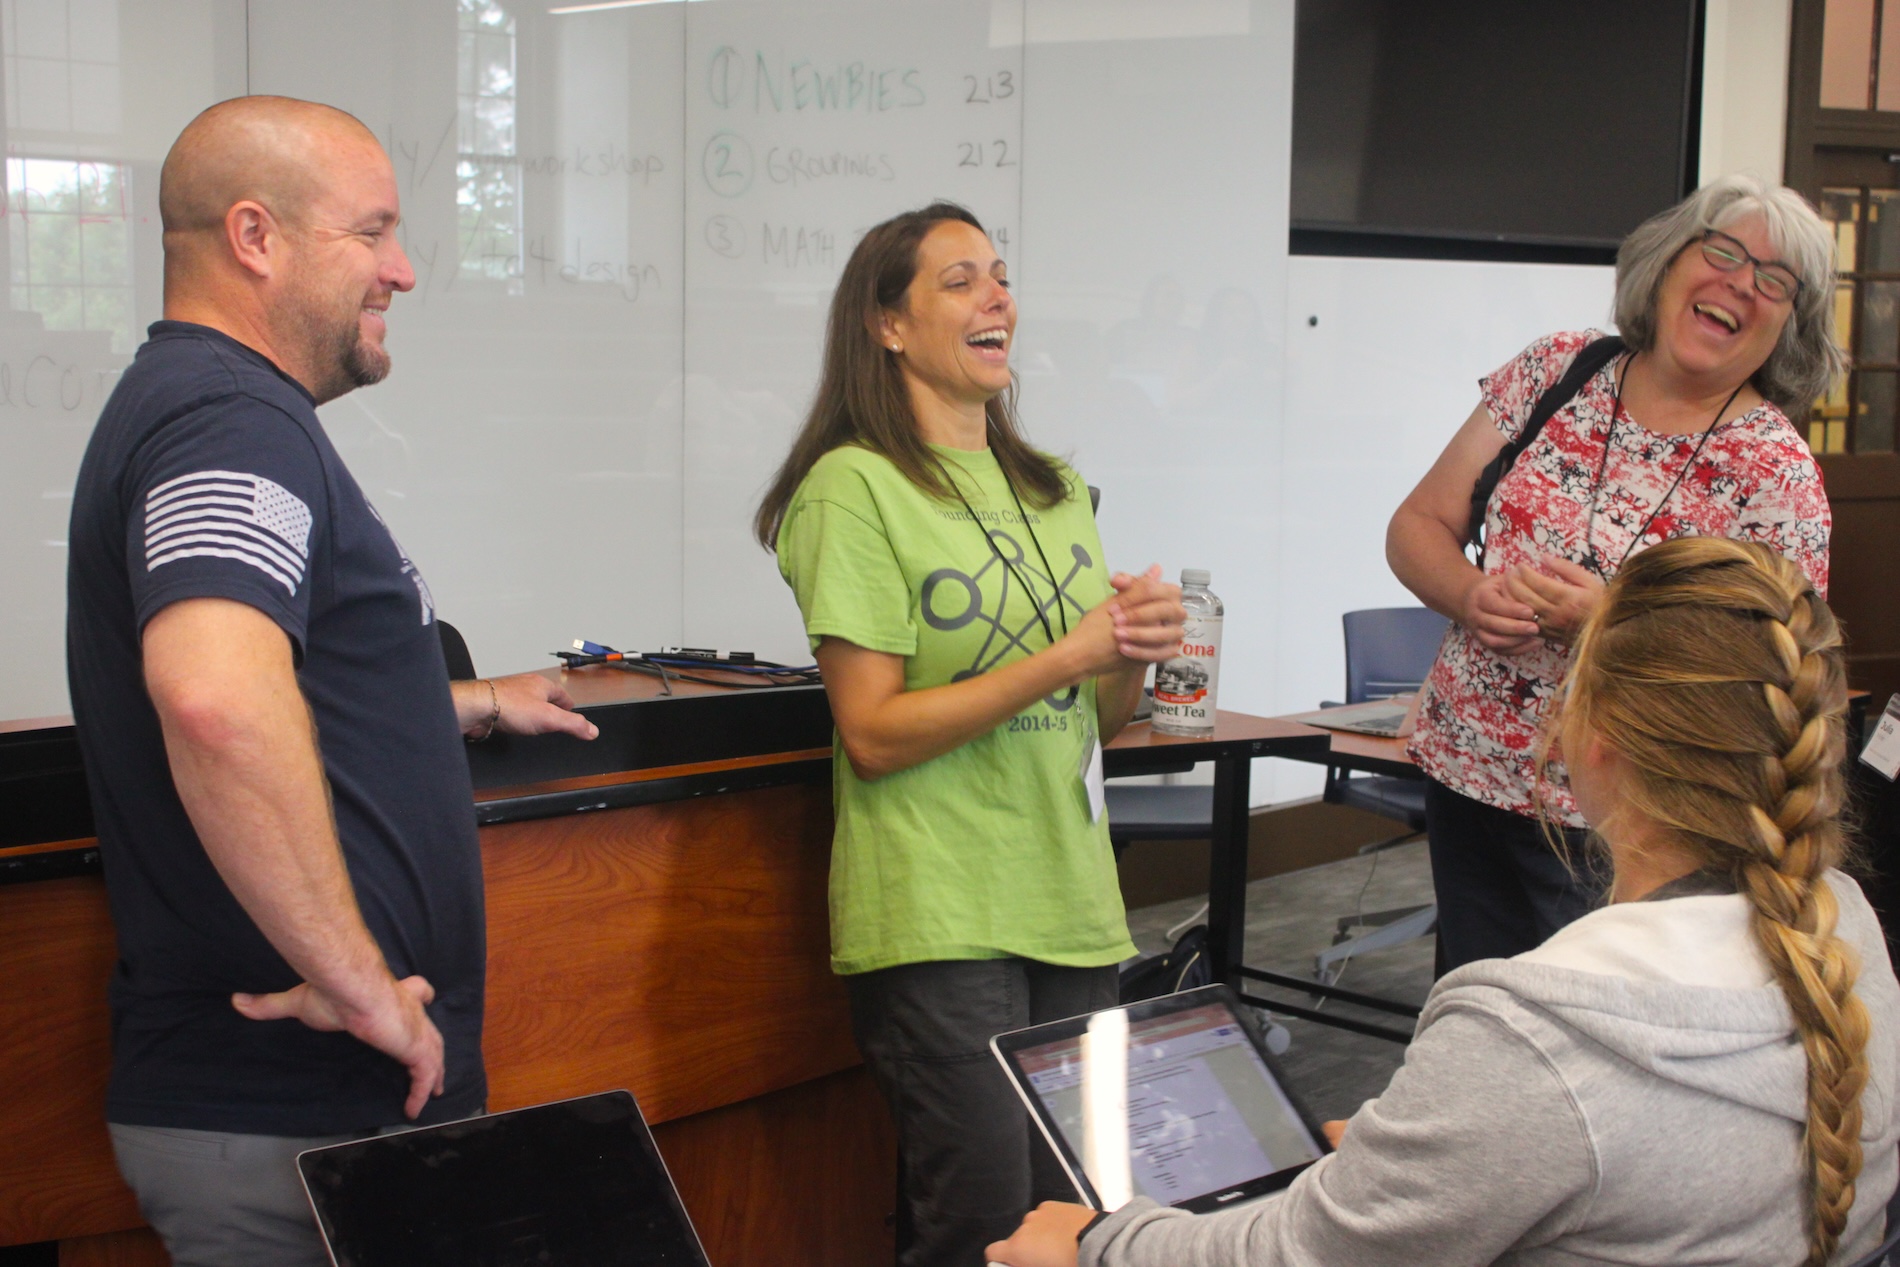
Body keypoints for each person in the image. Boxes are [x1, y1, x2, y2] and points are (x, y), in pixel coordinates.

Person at [987, 536, 1900, 1267]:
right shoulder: (1846, 931)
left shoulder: (1533, 1032)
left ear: (1600, 738)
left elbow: (1293, 1255)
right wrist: (1415, 1165)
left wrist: (1094, 1244)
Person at [64, 96, 597, 1267]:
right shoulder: (224, 419)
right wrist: (354, 981)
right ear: (255, 237)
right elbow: (213, 696)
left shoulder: (221, 415)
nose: (401, 271)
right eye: (372, 233)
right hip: (296, 1109)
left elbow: (274, 684)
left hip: (314, 1119)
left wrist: (448, 701)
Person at [753, 202, 1186, 1267]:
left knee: (1083, 1219)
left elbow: (1096, 718)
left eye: (998, 275)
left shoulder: (1054, 491)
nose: (997, 297)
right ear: (887, 325)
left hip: (1070, 901)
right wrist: (1065, 656)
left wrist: (1128, 648)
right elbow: (873, 733)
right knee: (982, 1226)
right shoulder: (851, 488)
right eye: (957, 281)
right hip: (939, 906)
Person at [1386, 174, 1841, 970]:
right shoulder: (1558, 370)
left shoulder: (1777, 474)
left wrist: (1611, 618)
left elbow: (1779, 674)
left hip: (1627, 823)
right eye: (1723, 252)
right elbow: (1415, 526)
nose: (1739, 283)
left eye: (1774, 280)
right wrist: (1469, 593)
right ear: (1668, 262)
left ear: (1787, 328)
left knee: (1582, 1044)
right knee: (1476, 1020)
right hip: (1467, 772)